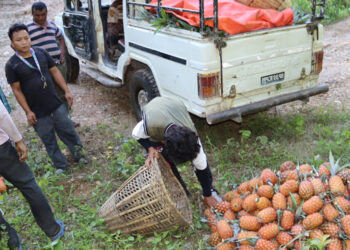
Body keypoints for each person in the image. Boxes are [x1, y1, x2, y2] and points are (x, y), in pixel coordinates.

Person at [5, 23, 87, 173]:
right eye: (19, 40)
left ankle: (79, 154)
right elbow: (16, 90)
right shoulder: (12, 65)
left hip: (55, 104)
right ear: (12, 44)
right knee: (48, 139)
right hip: (37, 111)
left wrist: (66, 91)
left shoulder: (41, 53)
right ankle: (61, 165)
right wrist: (28, 112)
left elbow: (55, 72)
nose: (24, 42)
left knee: (67, 129)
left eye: (26, 38)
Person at [132, 96, 220, 207]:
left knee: (200, 163)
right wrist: (150, 148)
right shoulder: (151, 126)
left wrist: (208, 194)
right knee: (164, 161)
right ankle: (182, 193)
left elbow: (202, 167)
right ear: (163, 142)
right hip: (155, 108)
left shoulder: (192, 137)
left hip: (173, 104)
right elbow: (136, 134)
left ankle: (208, 191)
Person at [0, 99, 64, 243]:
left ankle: (10, 242)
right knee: (28, 184)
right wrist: (18, 139)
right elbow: (1, 115)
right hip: (2, 150)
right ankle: (53, 229)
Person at [27, 1, 79, 127]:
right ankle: (50, 121)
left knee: (62, 93)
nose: (40, 18)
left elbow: (61, 38)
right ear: (32, 14)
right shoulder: (28, 29)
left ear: (46, 13)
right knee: (44, 94)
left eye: (43, 14)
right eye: (37, 15)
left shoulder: (52, 25)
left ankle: (66, 120)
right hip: (41, 69)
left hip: (57, 65)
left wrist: (62, 53)